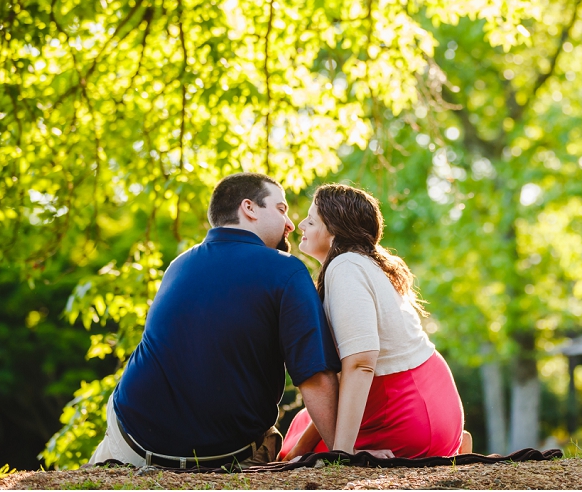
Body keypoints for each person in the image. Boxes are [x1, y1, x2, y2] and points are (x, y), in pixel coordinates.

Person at [88, 173, 341, 469]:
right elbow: (316, 377)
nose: (289, 224)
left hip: (127, 440)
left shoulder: (179, 264)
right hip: (222, 458)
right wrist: (346, 453)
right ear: (249, 208)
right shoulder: (286, 270)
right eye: (281, 209)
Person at [280, 184, 472, 460]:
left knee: (301, 442)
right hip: (430, 401)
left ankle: (438, 445)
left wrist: (343, 454)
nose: (300, 225)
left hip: (406, 411)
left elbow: (360, 363)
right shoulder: (361, 264)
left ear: (333, 230)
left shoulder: (346, 267)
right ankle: (449, 442)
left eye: (310, 220)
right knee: (305, 422)